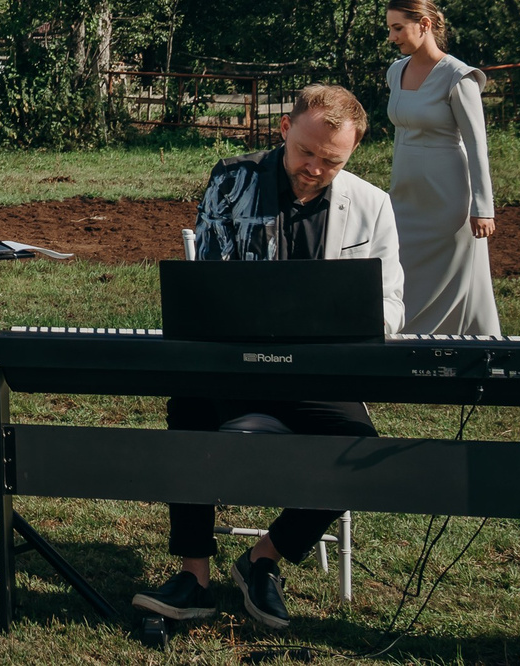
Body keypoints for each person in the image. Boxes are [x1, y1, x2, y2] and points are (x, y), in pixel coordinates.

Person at [133, 85, 403, 635]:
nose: (314, 168)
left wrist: (344, 323)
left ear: (352, 153)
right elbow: (208, 283)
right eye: (306, 152)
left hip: (316, 372)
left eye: (332, 161)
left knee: (361, 452)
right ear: (284, 131)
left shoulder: (372, 203)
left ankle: (264, 558)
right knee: (187, 411)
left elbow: (393, 306)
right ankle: (194, 576)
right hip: (234, 362)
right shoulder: (232, 181)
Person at [383, 0, 502, 338]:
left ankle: (469, 342)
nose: (392, 38)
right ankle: (402, 339)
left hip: (449, 196)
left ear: (424, 25)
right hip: (405, 192)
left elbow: (477, 145)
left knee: (456, 275)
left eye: (398, 28)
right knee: (402, 265)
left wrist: (484, 207)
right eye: (390, 29)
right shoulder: (395, 72)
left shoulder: (458, 77)